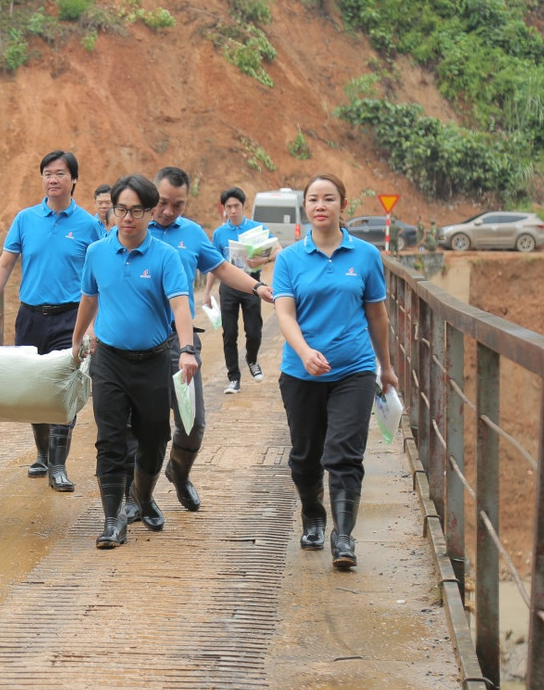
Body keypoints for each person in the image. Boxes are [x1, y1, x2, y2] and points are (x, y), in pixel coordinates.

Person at [270, 172, 398, 569]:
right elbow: (284, 313)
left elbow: (377, 315)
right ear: (305, 207)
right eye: (313, 199)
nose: (320, 206)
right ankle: (313, 516)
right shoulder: (289, 258)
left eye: (328, 198)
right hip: (301, 372)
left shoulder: (366, 256)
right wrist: (305, 351)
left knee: (344, 453)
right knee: (306, 456)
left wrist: (386, 367)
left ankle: (343, 537)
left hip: (354, 370)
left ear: (343, 205)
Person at [71, 175, 197, 549]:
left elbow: (180, 305)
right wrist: (77, 340)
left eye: (136, 210)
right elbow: (89, 299)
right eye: (121, 209)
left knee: (154, 438)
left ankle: (143, 497)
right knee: (110, 439)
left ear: (150, 212)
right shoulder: (97, 252)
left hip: (154, 361)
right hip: (109, 360)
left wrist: (187, 349)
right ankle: (113, 520)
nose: (127, 218)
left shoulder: (166, 256)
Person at [0, 149, 104, 493]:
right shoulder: (25, 219)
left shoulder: (89, 226)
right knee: (33, 388)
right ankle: (43, 453)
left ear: (74, 180)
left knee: (63, 388)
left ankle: (58, 466)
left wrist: (94, 324)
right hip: (30, 317)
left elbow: (100, 276)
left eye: (60, 173)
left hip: (71, 318)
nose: (53, 179)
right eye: (47, 173)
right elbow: (5, 264)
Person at [147, 167, 270, 512]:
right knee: (145, 425)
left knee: (193, 422)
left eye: (178, 205)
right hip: (139, 341)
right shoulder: (133, 228)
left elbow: (223, 268)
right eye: (163, 202)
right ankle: (138, 495)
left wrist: (257, 287)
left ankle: (179, 472)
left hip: (180, 340)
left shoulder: (192, 233)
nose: (168, 211)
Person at [202, 186, 275, 394]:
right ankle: (233, 378)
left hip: (253, 285)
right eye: (229, 207)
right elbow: (214, 265)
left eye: (236, 206)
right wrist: (207, 292)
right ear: (224, 209)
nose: (233, 210)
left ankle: (252, 359)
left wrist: (261, 260)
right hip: (228, 287)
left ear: (244, 206)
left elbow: (278, 251)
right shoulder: (219, 234)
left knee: (254, 331)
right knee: (229, 333)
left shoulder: (257, 230)